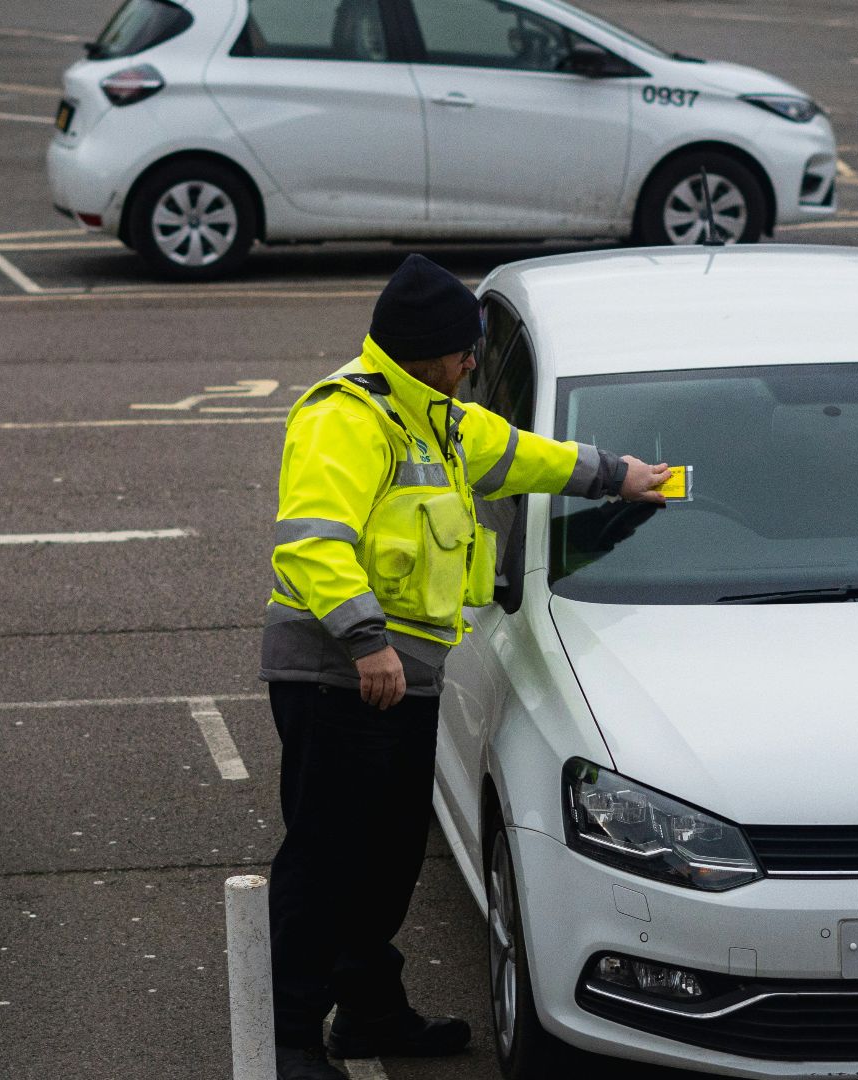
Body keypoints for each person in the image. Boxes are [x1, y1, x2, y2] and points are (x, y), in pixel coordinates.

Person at [259, 255, 670, 1080]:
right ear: (423, 353)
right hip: (341, 675)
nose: (474, 362)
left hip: (403, 676)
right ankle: (294, 1039)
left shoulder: (437, 414)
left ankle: (369, 1014)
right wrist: (365, 638)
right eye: (464, 350)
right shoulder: (346, 418)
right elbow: (312, 543)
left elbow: (525, 454)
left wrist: (619, 475)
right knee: (326, 860)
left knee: (386, 861)